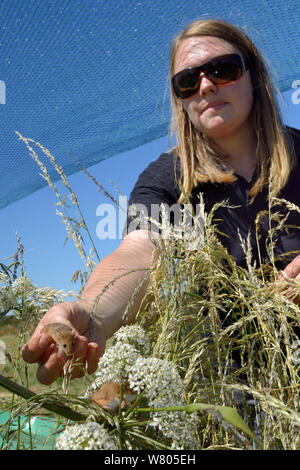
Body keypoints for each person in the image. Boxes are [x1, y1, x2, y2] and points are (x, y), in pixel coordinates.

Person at [21, 19, 300, 385]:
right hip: (238, 381)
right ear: (180, 98)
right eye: (188, 80)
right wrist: (91, 312)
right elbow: (139, 252)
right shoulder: (166, 178)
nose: (206, 85)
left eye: (223, 69)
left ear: (253, 74)